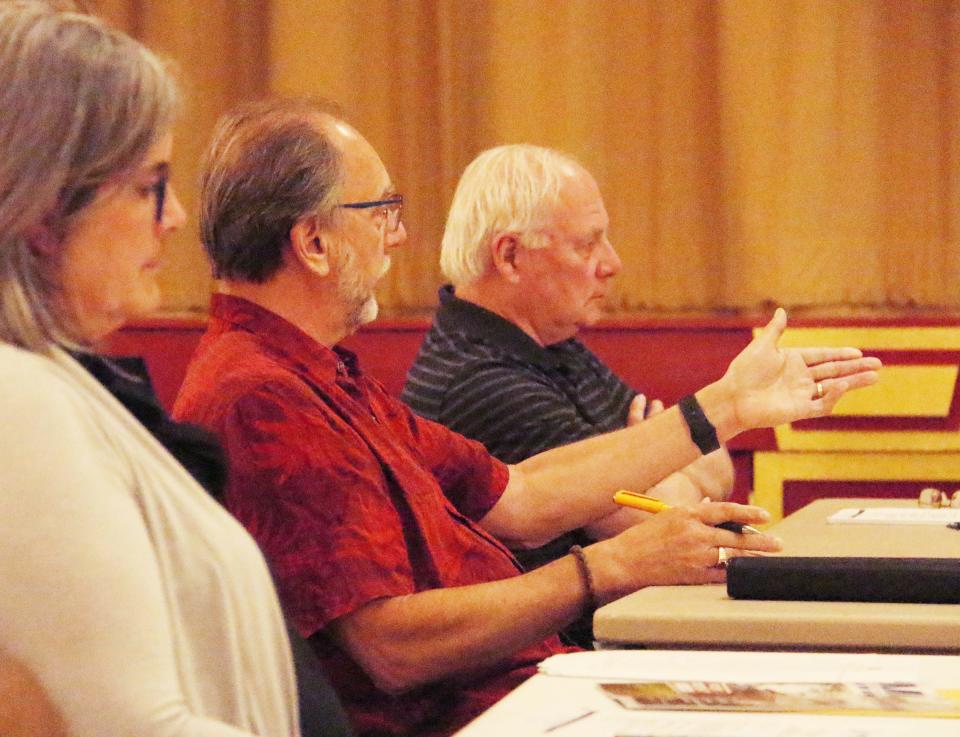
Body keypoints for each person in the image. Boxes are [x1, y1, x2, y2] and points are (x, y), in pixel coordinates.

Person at [173, 98, 880, 737]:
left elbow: (521, 494)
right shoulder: (262, 397)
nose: (398, 236)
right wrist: (608, 565)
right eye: (381, 211)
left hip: (524, 693)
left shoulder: (320, 373)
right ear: (314, 242)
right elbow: (389, 646)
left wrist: (723, 406)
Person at [0, 5, 301, 734]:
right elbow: (133, 725)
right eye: (149, 185)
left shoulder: (52, 376)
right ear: (45, 212)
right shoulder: (18, 400)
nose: (173, 218)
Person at [401, 144, 733, 646]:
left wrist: (658, 454)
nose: (612, 264)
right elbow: (663, 512)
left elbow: (714, 475)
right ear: (510, 256)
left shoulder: (555, 343)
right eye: (587, 245)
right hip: (543, 665)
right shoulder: (481, 383)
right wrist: (657, 453)